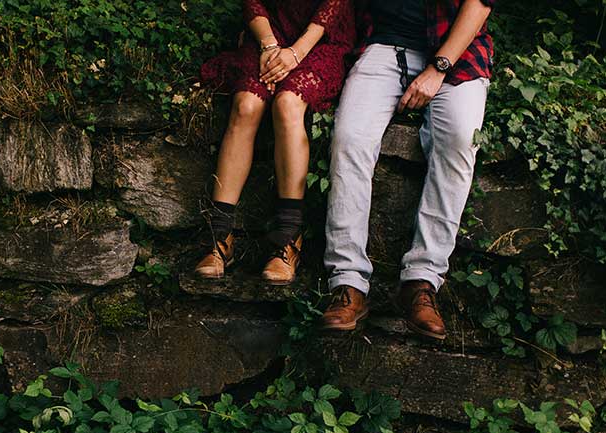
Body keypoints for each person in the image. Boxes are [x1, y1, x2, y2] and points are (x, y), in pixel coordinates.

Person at [320, 0, 495, 340]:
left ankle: (422, 281)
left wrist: (438, 68)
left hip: (457, 51)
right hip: (386, 45)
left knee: (459, 140)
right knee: (349, 138)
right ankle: (347, 282)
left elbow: (478, 7)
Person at [196, 0, 356, 284]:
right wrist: (269, 46)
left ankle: (288, 239)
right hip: (268, 35)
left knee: (287, 104)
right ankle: (219, 236)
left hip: (320, 40)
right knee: (246, 104)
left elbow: (334, 7)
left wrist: (295, 54)